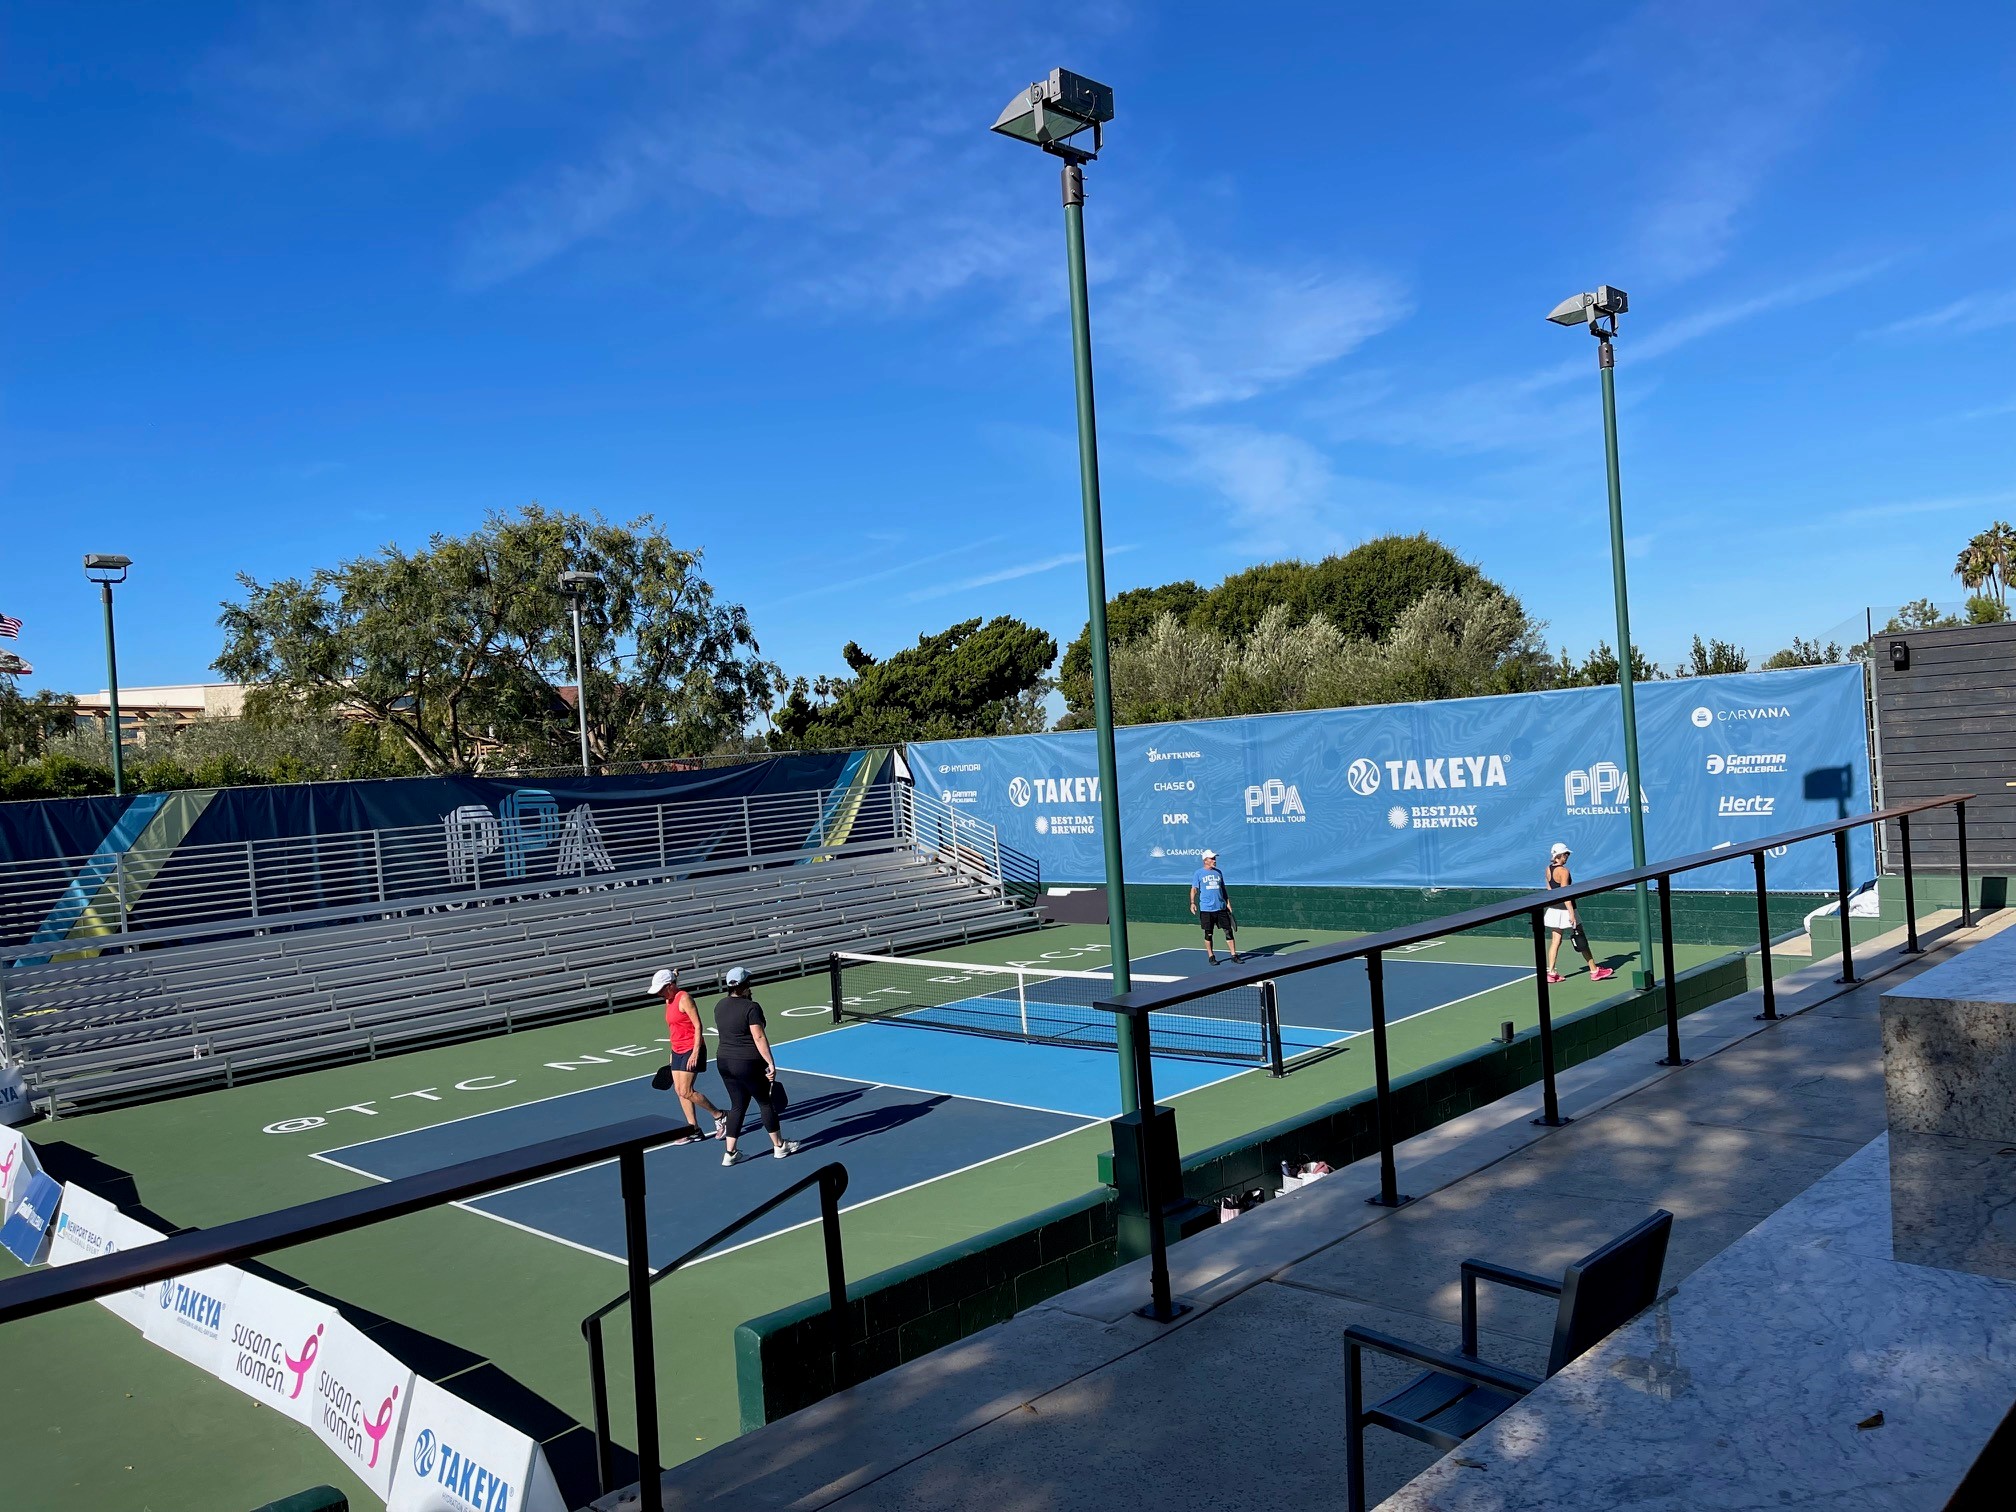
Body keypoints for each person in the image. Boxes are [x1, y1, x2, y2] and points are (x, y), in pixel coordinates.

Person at [713, 965, 799, 1166]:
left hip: (724, 1062)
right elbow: (758, 1037)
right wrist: (770, 1063)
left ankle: (730, 1153)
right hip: (748, 1063)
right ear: (745, 986)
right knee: (765, 1103)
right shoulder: (752, 1008)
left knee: (737, 1106)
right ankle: (779, 1147)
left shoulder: (719, 1006)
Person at [651, 967, 726, 1144]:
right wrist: (671, 1053)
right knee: (679, 1091)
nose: (658, 994)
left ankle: (720, 1115)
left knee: (686, 1090)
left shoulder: (684, 998)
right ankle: (693, 1129)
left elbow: (698, 1025)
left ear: (669, 986)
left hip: (691, 1049)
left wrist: (695, 1052)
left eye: (661, 989)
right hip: (676, 1050)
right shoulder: (668, 999)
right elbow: (674, 1028)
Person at [1544, 842, 1615, 984]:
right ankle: (1594, 971)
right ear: (1560, 855)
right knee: (1580, 938)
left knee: (1555, 941)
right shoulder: (1564, 871)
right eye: (1566, 854)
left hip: (1553, 909)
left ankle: (1551, 973)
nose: (1567, 857)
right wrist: (1571, 914)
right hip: (1566, 910)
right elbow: (1566, 894)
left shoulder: (1548, 869)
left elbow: (1549, 891)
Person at [1190, 848, 1239, 964]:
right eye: (1212, 858)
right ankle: (1211, 956)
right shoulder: (1198, 873)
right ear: (1205, 860)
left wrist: (1228, 904)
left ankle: (1234, 955)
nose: (1214, 860)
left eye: (1214, 858)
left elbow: (1223, 889)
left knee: (1228, 931)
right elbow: (1194, 889)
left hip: (1221, 908)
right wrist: (1192, 903)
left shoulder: (1218, 872)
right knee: (1209, 933)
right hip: (1207, 909)